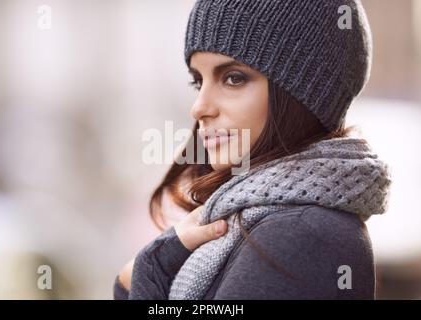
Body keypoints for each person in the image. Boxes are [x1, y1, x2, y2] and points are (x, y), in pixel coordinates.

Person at [114, 0, 391, 300]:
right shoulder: (250, 221)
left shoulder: (302, 236)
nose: (199, 107)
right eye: (198, 82)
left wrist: (153, 266)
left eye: (233, 78)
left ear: (299, 95)